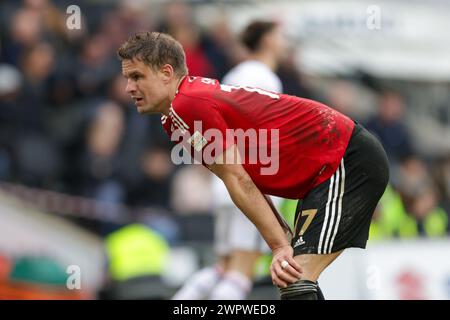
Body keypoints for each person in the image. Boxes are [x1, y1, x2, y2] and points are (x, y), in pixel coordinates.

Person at [117, 31, 390, 300]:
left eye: (137, 76)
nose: (129, 87)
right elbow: (240, 177)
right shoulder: (176, 114)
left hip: (345, 160)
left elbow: (238, 178)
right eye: (128, 78)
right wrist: (281, 236)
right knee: (293, 278)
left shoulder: (188, 104)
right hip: (326, 170)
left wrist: (279, 246)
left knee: (293, 277)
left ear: (166, 73)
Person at [172, 20, 287, 300]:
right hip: (249, 185)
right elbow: (262, 138)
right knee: (240, 271)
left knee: (222, 267)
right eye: (281, 37)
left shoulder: (232, 75)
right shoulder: (265, 79)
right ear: (269, 41)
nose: (285, 43)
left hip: (224, 182)